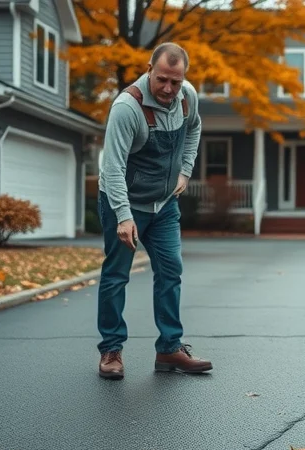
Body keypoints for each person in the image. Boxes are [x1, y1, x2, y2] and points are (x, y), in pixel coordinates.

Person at [95, 42, 212, 378]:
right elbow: (112, 169)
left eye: (175, 81)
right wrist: (123, 215)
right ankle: (111, 350)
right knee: (117, 276)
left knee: (170, 271)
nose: (168, 89)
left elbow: (195, 129)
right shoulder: (126, 108)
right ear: (149, 69)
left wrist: (186, 169)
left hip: (163, 206)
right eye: (162, 79)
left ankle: (169, 349)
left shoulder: (187, 97)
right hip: (124, 201)